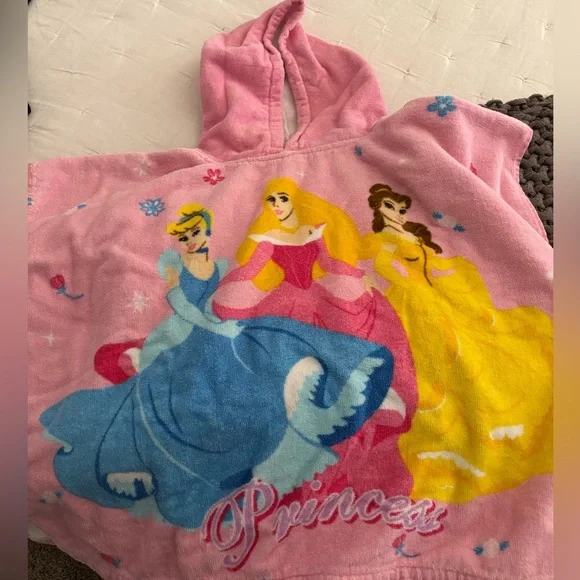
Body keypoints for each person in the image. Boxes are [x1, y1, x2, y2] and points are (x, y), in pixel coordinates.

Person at [40, 203, 398, 529]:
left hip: (213, 325)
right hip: (192, 330)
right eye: (185, 236)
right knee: (229, 361)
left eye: (195, 233)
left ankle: (333, 393)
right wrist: (212, 324)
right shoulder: (181, 266)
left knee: (268, 340)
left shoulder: (215, 263)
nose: (191, 240)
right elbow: (181, 304)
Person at [361, 183, 553, 503]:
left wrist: (453, 269)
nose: (396, 213)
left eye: (399, 208)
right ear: (380, 211)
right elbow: (383, 269)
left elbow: (436, 265)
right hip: (410, 301)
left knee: (482, 345)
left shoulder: (416, 235)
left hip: (438, 294)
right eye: (389, 207)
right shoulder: (380, 242)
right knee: (430, 357)